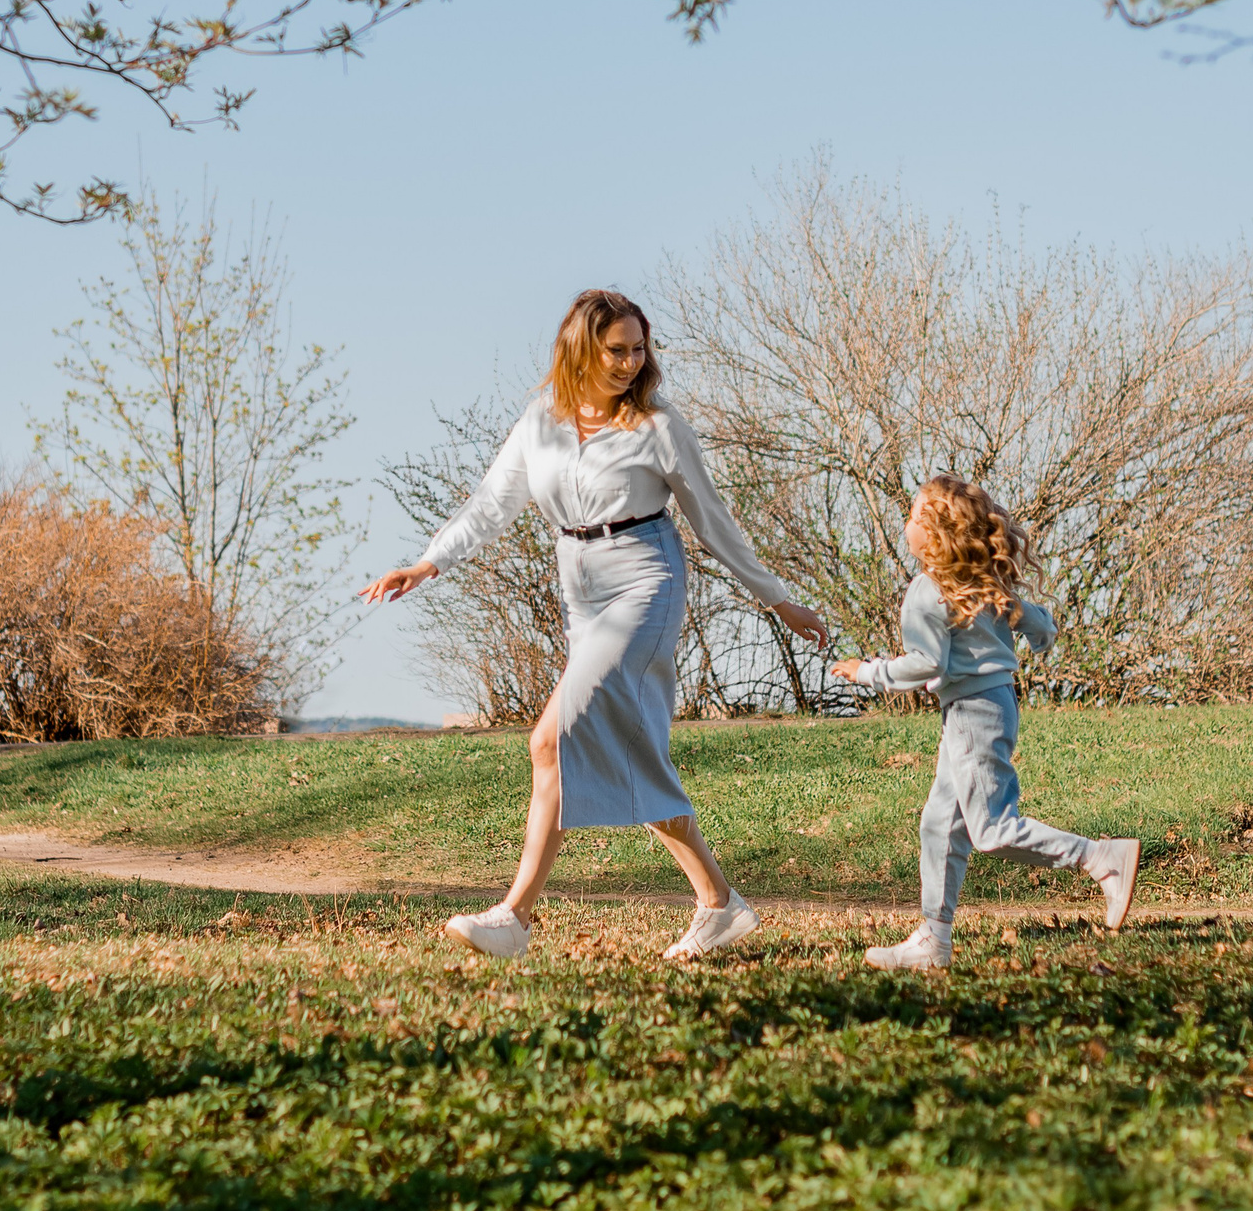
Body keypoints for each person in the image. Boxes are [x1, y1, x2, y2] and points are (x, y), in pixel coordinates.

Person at [362, 289, 831, 961]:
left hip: (646, 580)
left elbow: (713, 522)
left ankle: (515, 916)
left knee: (552, 738)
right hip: (581, 588)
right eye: (618, 349)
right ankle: (718, 901)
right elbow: (491, 503)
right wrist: (429, 562)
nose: (631, 362)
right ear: (582, 348)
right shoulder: (541, 422)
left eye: (640, 349)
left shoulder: (658, 427)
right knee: (604, 744)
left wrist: (777, 598)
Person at [831, 475, 1140, 971]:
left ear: (934, 536)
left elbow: (926, 662)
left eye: (913, 517)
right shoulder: (978, 585)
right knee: (940, 825)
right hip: (985, 707)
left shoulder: (927, 590)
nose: (905, 525)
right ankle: (933, 939)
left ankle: (1099, 858)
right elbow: (1034, 618)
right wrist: (1041, 633)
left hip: (974, 714)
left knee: (991, 829)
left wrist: (868, 672)